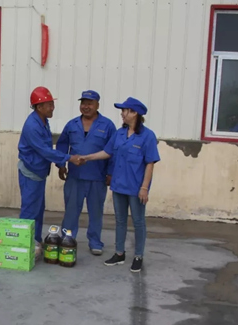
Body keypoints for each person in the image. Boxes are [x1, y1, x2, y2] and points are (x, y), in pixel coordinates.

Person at [81, 97, 160, 272]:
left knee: (138, 222)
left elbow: (150, 163)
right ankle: (119, 253)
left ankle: (138, 256)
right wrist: (87, 157)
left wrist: (144, 188)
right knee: (120, 220)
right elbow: (106, 152)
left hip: (136, 188)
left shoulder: (147, 136)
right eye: (122, 111)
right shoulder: (119, 134)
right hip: (119, 185)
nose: (122, 114)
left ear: (134, 113)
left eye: (125, 111)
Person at [18, 86, 83, 245]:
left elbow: (47, 148)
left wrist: (61, 164)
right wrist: (69, 158)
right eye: (49, 104)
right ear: (39, 107)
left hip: (39, 172)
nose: (52, 107)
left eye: (52, 104)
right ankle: (25, 244)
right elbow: (45, 151)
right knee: (30, 211)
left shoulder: (43, 121)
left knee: (38, 209)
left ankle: (35, 240)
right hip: (31, 172)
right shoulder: (32, 125)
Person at [56, 90, 117, 256]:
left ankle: (95, 242)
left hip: (97, 177)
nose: (86, 106)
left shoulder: (107, 125)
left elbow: (113, 151)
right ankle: (67, 239)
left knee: (96, 212)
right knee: (71, 212)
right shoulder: (72, 124)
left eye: (90, 103)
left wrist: (110, 173)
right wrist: (61, 165)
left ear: (97, 105)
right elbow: (62, 146)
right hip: (74, 177)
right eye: (83, 103)